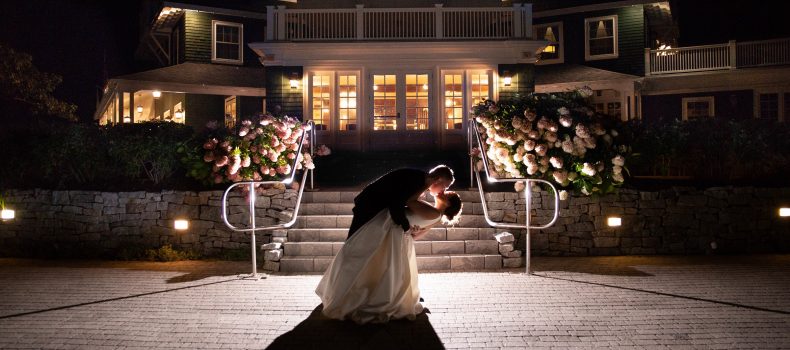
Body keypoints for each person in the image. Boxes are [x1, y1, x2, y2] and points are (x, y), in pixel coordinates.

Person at [315, 190, 463, 324]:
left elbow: (408, 202)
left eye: (446, 194)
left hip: (390, 230)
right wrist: (412, 227)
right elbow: (416, 236)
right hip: (398, 236)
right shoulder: (436, 217)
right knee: (383, 269)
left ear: (448, 203)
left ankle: (362, 297)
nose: (443, 192)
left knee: (369, 262)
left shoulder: (433, 212)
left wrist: (419, 191)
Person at [346, 165, 455, 239]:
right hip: (369, 205)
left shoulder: (419, 180)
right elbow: (396, 204)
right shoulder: (416, 181)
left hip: (374, 207)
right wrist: (406, 227)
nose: (443, 190)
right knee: (354, 241)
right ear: (438, 179)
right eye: (445, 186)